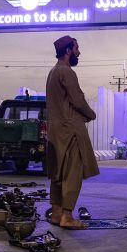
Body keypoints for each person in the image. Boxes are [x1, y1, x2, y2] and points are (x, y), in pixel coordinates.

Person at [45, 36, 99, 229]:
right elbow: (77, 100)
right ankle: (67, 217)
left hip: (56, 132)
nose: (78, 52)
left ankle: (57, 213)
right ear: (68, 50)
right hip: (70, 132)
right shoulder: (66, 72)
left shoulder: (52, 72)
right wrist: (91, 114)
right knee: (72, 174)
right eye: (76, 48)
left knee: (57, 173)